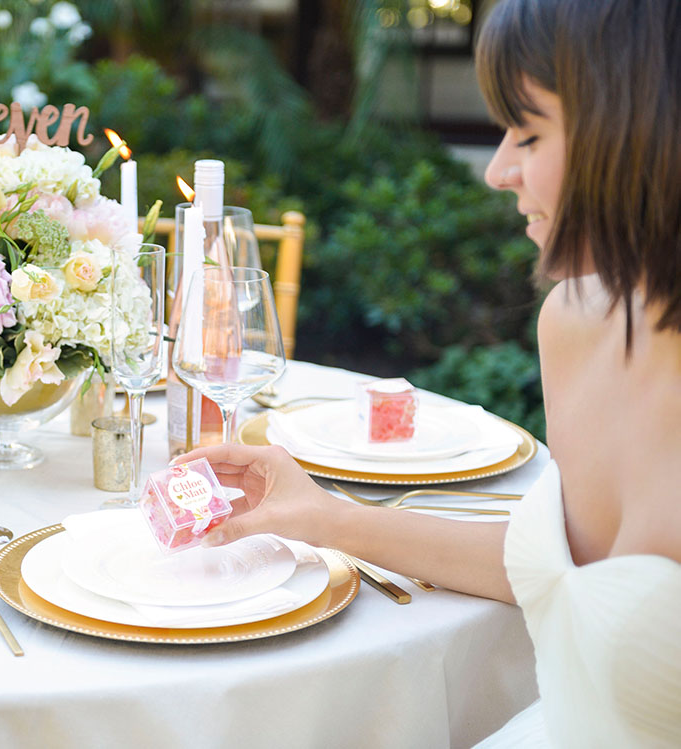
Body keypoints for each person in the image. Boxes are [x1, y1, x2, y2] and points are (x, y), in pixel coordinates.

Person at [173, 0, 681, 745]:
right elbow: (561, 572)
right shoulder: (576, 323)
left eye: (528, 132)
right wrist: (321, 515)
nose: (499, 172)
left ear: (641, 132)